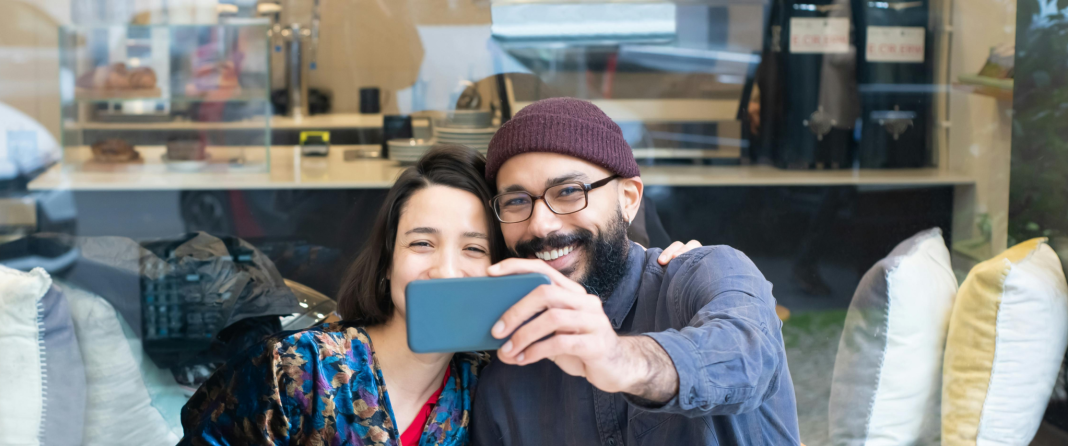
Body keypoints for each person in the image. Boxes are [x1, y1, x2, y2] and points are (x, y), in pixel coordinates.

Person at [177, 145, 696, 446]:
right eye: (421, 243)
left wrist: (660, 269)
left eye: (474, 248)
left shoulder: (488, 382)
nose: (446, 269)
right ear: (387, 262)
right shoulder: (294, 369)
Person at [470, 97, 800, 445]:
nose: (541, 225)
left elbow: (749, 355)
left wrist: (620, 359)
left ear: (628, 198)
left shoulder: (703, 274)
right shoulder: (505, 381)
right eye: (517, 200)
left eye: (568, 191)